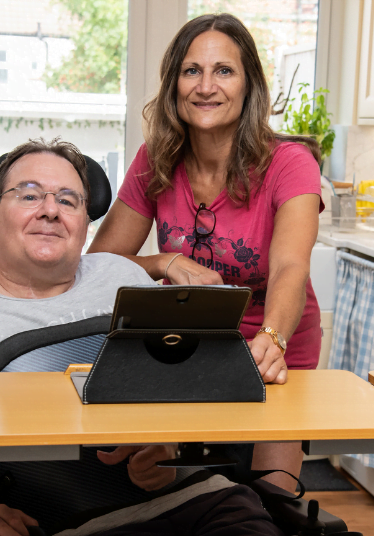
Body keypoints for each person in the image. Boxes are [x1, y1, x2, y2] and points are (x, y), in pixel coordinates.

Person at [0, 138, 284, 536]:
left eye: (68, 200)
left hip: (196, 504)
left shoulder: (122, 278)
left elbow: (176, 396)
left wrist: (168, 448)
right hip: (55, 524)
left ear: (85, 225)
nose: (50, 210)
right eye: (29, 195)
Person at [87, 13, 324, 492]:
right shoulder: (155, 160)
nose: (206, 86)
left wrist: (274, 337)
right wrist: (162, 262)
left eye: (224, 71)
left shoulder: (289, 163)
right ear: (174, 83)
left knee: (272, 499)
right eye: (192, 70)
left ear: (249, 84)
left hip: (273, 347)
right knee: (168, 487)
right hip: (183, 345)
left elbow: (290, 267)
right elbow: (99, 265)